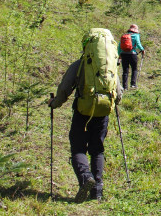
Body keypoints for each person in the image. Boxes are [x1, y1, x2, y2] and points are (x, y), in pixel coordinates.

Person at [48, 29, 123, 202]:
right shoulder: (110, 66)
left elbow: (65, 88)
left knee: (78, 147)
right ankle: (97, 191)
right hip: (102, 112)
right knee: (97, 149)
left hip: (82, 111)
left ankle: (85, 178)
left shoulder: (80, 64)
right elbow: (118, 94)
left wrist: (55, 103)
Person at [119, 24, 145, 90]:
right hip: (132, 54)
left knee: (125, 71)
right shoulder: (136, 36)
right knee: (134, 69)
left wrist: (119, 54)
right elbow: (138, 44)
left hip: (123, 54)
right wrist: (142, 50)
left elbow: (119, 46)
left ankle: (124, 87)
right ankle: (133, 84)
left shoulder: (124, 36)